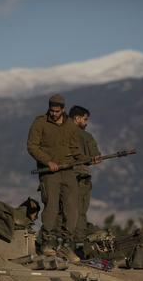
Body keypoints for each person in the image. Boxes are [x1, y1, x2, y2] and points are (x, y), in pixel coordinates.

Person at [27, 94, 86, 262]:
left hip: (68, 172)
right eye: (51, 111)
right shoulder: (40, 123)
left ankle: (66, 247)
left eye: (57, 111)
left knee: (72, 209)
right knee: (51, 209)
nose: (53, 114)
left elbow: (75, 149)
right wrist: (47, 161)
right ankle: (47, 244)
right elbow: (32, 146)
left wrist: (89, 159)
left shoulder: (70, 126)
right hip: (49, 173)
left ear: (63, 109)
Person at [68, 105, 101, 243]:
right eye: (85, 119)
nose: (86, 123)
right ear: (77, 118)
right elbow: (96, 157)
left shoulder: (59, 132)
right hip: (80, 177)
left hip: (60, 177)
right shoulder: (85, 136)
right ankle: (78, 243)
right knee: (80, 211)